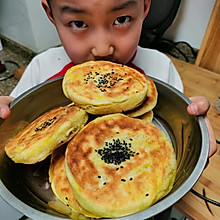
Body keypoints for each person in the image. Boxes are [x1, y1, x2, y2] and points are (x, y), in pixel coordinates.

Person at [0, 0, 217, 219]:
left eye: (121, 20)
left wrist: (196, 132)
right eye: (78, 23)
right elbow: (18, 128)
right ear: (50, 14)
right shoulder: (40, 69)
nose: (102, 48)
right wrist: (6, 112)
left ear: (145, 7)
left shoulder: (160, 69)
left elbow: (178, 136)